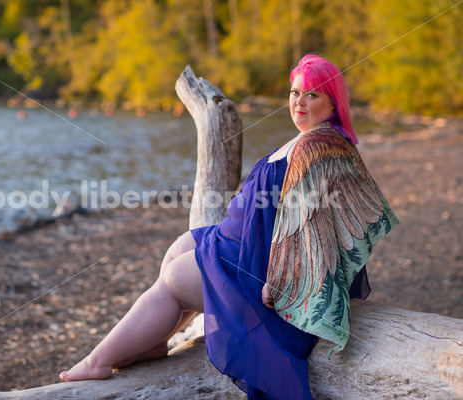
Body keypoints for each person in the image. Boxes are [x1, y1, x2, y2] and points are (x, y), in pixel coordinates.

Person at [59, 54, 399, 399]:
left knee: (175, 281)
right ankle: (154, 341)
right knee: (179, 248)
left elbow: (322, 225)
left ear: (332, 103)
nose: (299, 101)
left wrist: (284, 279)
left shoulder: (318, 147)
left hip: (255, 265)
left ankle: (97, 361)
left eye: (311, 95)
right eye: (295, 92)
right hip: (240, 241)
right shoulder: (316, 138)